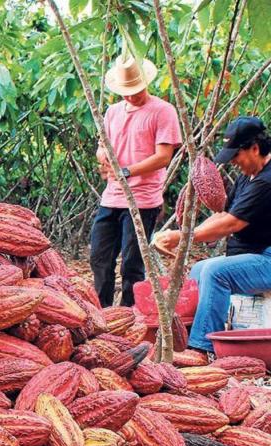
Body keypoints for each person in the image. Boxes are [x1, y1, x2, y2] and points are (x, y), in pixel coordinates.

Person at [154, 116, 271, 354]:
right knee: (199, 270)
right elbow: (224, 214)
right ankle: (183, 336)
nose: (234, 162)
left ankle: (201, 349)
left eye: (236, 155)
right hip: (259, 256)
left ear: (255, 149)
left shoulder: (270, 180)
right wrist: (183, 235)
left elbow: (231, 224)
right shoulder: (248, 177)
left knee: (217, 273)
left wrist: (184, 238)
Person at [90, 54, 182, 308]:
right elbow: (101, 147)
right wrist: (104, 159)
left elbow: (163, 156)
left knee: (132, 264)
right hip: (112, 197)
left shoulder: (163, 111)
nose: (131, 96)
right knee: (100, 258)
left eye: (135, 90)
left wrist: (127, 171)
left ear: (145, 83)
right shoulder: (112, 112)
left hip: (143, 199)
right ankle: (103, 314)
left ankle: (130, 316)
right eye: (125, 92)